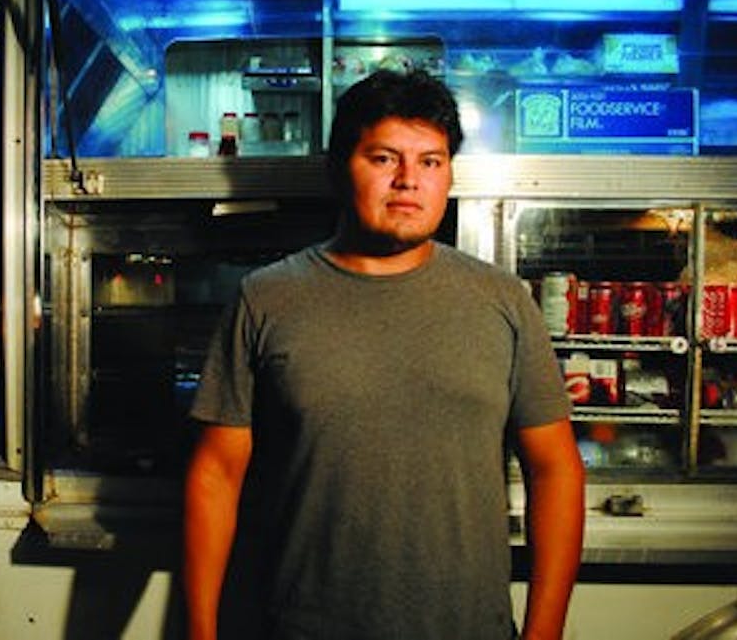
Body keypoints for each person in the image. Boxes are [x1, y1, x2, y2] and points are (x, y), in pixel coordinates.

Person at [182, 68, 585, 640]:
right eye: (383, 158)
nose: (408, 181)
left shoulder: (502, 301)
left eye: (431, 161)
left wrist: (545, 633)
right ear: (339, 169)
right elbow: (216, 474)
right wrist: (201, 632)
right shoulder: (268, 297)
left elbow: (555, 469)